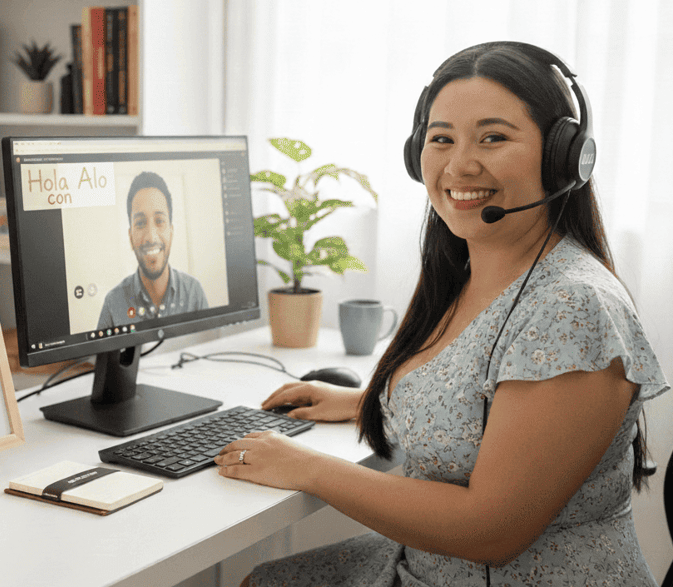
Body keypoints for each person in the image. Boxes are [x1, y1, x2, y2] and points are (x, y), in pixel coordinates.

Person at [214, 41, 670, 587]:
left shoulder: (573, 308)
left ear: (562, 156)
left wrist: (308, 468)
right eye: (441, 139)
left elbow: (490, 530)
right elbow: (485, 403)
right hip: (435, 567)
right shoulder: (467, 271)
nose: (459, 164)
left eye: (493, 138)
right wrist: (364, 402)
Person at [97, 171, 208, 330]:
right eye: (141, 223)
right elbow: (99, 355)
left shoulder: (194, 292)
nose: (151, 237)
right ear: (130, 237)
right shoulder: (113, 303)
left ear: (171, 231)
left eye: (160, 221)